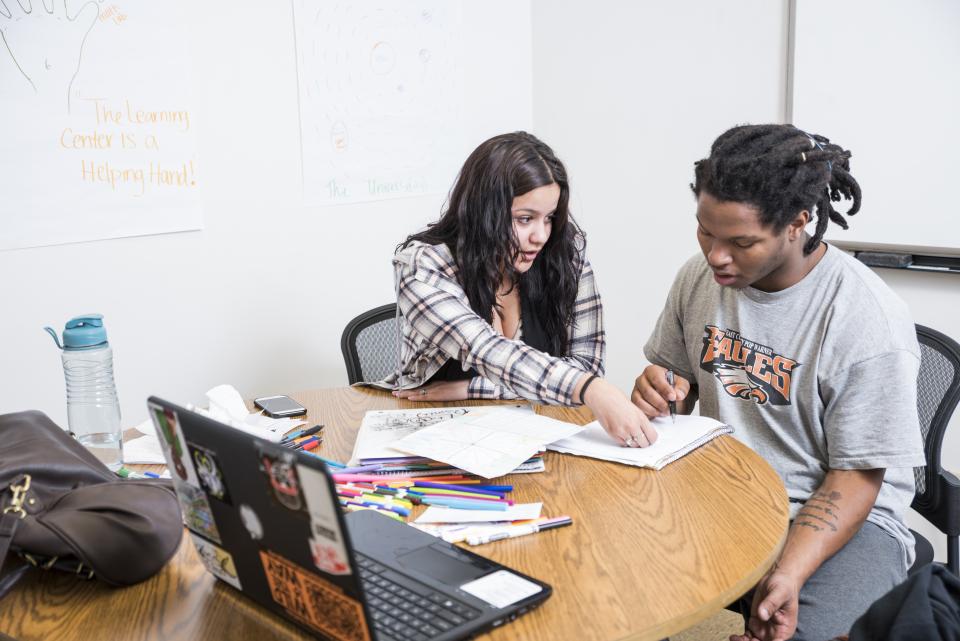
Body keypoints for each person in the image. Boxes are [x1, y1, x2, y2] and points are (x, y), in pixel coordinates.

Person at [631, 124, 925, 641]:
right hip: (729, 497)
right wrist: (659, 389)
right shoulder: (699, 278)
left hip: (842, 519)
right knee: (617, 594)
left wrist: (788, 572)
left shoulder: (867, 319)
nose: (715, 255)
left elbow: (856, 479)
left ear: (798, 223)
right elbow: (674, 386)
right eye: (705, 231)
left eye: (741, 242)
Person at [375, 131, 655, 447]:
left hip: (535, 436)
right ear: (484, 213)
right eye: (524, 219)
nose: (541, 235)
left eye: (549, 218)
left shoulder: (566, 252)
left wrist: (470, 388)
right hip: (441, 435)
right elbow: (484, 349)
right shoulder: (422, 266)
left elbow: (586, 366)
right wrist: (591, 389)